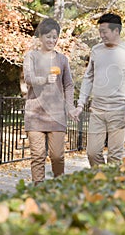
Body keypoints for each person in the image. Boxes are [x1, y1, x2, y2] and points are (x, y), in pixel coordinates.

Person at [73, 13, 125, 167]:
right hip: (97, 111)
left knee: (114, 156)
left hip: (119, 111)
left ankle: (109, 188)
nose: (101, 35)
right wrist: (80, 104)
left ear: (116, 31)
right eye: (100, 31)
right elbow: (88, 77)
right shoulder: (96, 50)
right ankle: (102, 182)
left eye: (104, 31)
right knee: (92, 153)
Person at [23, 18, 75, 185]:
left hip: (56, 115)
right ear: (40, 37)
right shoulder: (31, 56)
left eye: (55, 37)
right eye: (48, 36)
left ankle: (58, 188)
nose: (52, 40)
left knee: (57, 156)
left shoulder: (62, 60)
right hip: (35, 113)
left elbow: (68, 85)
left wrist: (70, 106)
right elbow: (28, 79)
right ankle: (38, 191)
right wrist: (44, 79)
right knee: (37, 156)